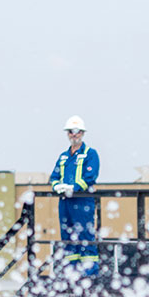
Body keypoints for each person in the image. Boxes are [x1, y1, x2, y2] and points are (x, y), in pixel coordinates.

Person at [50, 115, 102, 275]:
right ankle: (71, 272)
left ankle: (90, 273)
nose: (74, 135)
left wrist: (73, 188)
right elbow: (53, 177)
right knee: (67, 235)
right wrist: (58, 186)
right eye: (70, 132)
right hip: (65, 203)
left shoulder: (90, 154)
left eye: (77, 131)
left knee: (84, 234)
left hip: (82, 202)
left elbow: (90, 177)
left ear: (82, 133)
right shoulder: (64, 157)